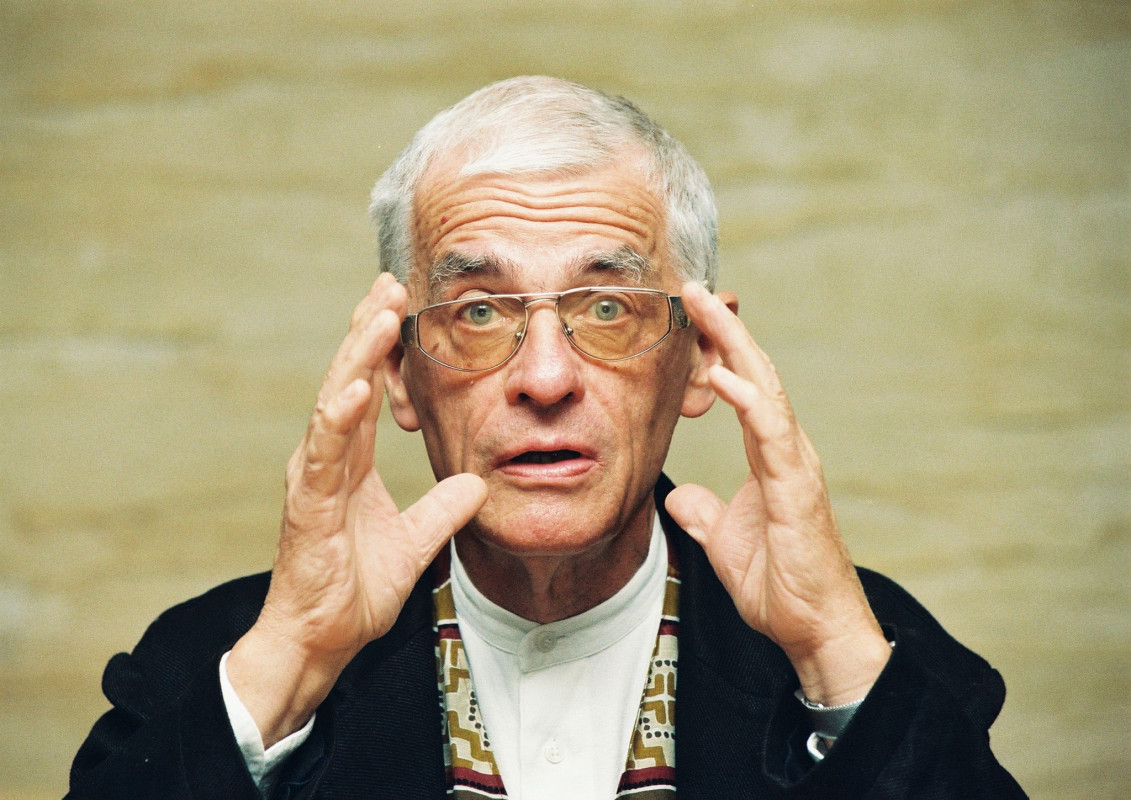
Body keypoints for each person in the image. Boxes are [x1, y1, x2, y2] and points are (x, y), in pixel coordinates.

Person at [68, 76, 1026, 799]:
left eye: (607, 307)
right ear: (399, 372)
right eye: (479, 312)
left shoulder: (873, 654)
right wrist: (293, 661)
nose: (544, 378)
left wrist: (831, 658)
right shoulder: (217, 664)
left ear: (700, 357)